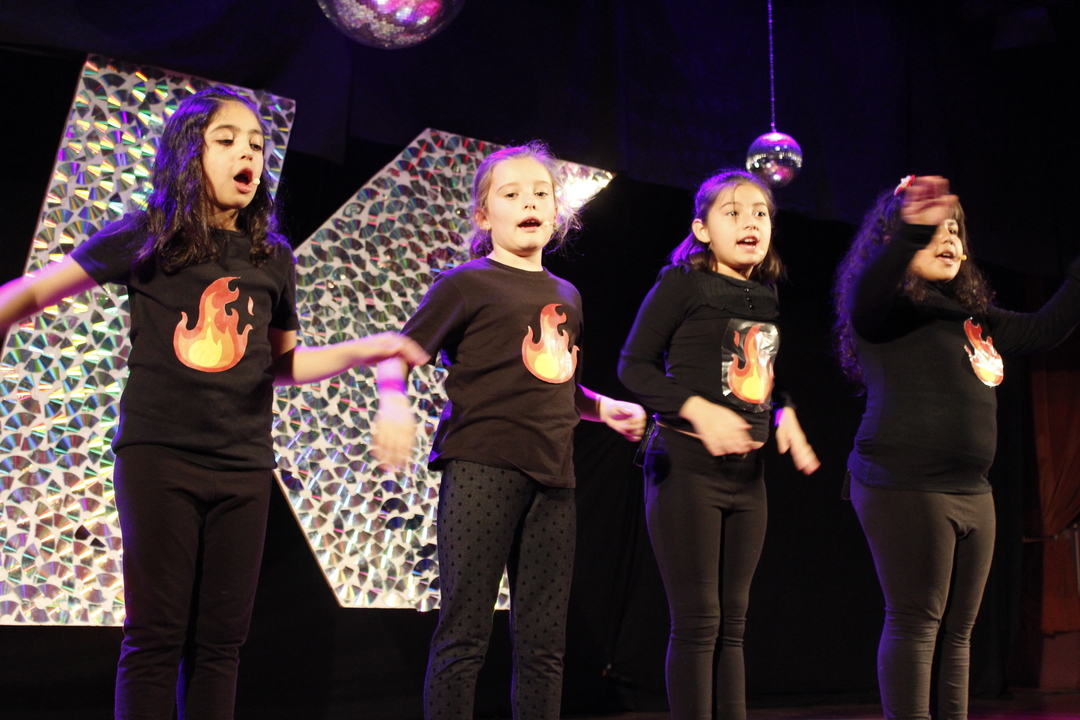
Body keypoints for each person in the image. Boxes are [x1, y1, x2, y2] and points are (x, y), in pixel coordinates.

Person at [0, 86, 427, 720]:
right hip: (160, 459)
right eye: (226, 140)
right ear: (187, 154)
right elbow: (32, 293)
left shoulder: (271, 257)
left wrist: (367, 350)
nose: (247, 153)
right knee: (156, 637)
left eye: (256, 144)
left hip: (243, 467)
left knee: (221, 645)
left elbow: (280, 366)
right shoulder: (148, 235)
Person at [372, 142, 645, 720]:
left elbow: (558, 385)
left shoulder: (567, 295)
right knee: (464, 634)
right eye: (512, 193)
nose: (530, 203)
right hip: (481, 468)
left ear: (557, 211)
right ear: (483, 214)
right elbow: (397, 356)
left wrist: (604, 408)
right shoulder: (465, 284)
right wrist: (393, 402)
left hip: (555, 480)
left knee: (544, 645)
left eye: (541, 193)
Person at [833, 175, 1080, 720]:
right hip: (904, 484)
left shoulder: (974, 319)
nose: (949, 238)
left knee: (960, 633)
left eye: (955, 231)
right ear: (898, 238)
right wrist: (911, 227)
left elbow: (1044, 328)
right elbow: (870, 290)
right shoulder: (889, 310)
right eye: (935, 229)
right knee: (916, 623)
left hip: (974, 492)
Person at [618, 169, 819, 720]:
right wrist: (695, 407)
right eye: (732, 213)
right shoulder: (681, 284)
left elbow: (763, 370)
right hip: (685, 466)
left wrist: (785, 412)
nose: (750, 222)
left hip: (747, 476)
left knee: (733, 624)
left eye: (760, 213)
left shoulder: (765, 295)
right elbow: (633, 365)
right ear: (702, 229)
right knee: (698, 621)